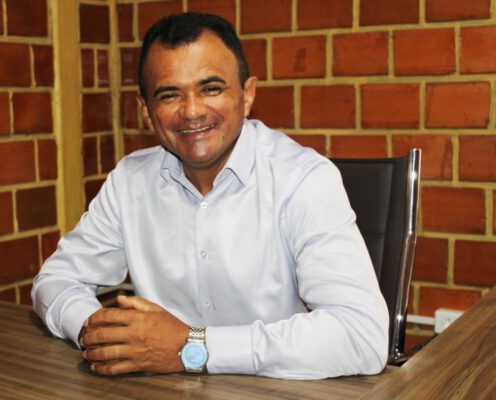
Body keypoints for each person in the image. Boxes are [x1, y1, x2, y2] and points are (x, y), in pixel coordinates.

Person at [32, 12, 388, 380]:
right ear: (146, 111)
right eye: (169, 94)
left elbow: (361, 335)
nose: (191, 111)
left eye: (211, 88)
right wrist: (101, 334)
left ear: (247, 95)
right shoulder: (130, 181)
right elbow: (56, 280)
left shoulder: (303, 180)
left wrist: (191, 347)